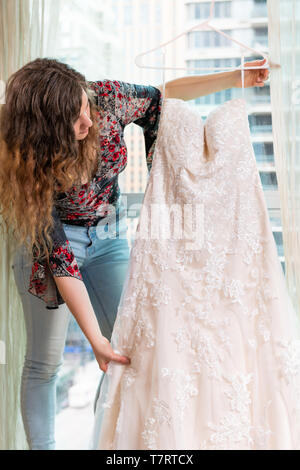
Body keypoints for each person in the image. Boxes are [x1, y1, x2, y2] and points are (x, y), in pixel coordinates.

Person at [0, 57, 269, 450]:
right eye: (76, 121)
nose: (88, 122)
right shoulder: (23, 160)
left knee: (127, 349)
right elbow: (58, 257)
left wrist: (236, 77)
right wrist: (93, 339)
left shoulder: (105, 99)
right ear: (47, 133)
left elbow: (165, 98)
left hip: (108, 237)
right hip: (49, 252)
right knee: (45, 363)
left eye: (85, 108)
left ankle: (104, 444)